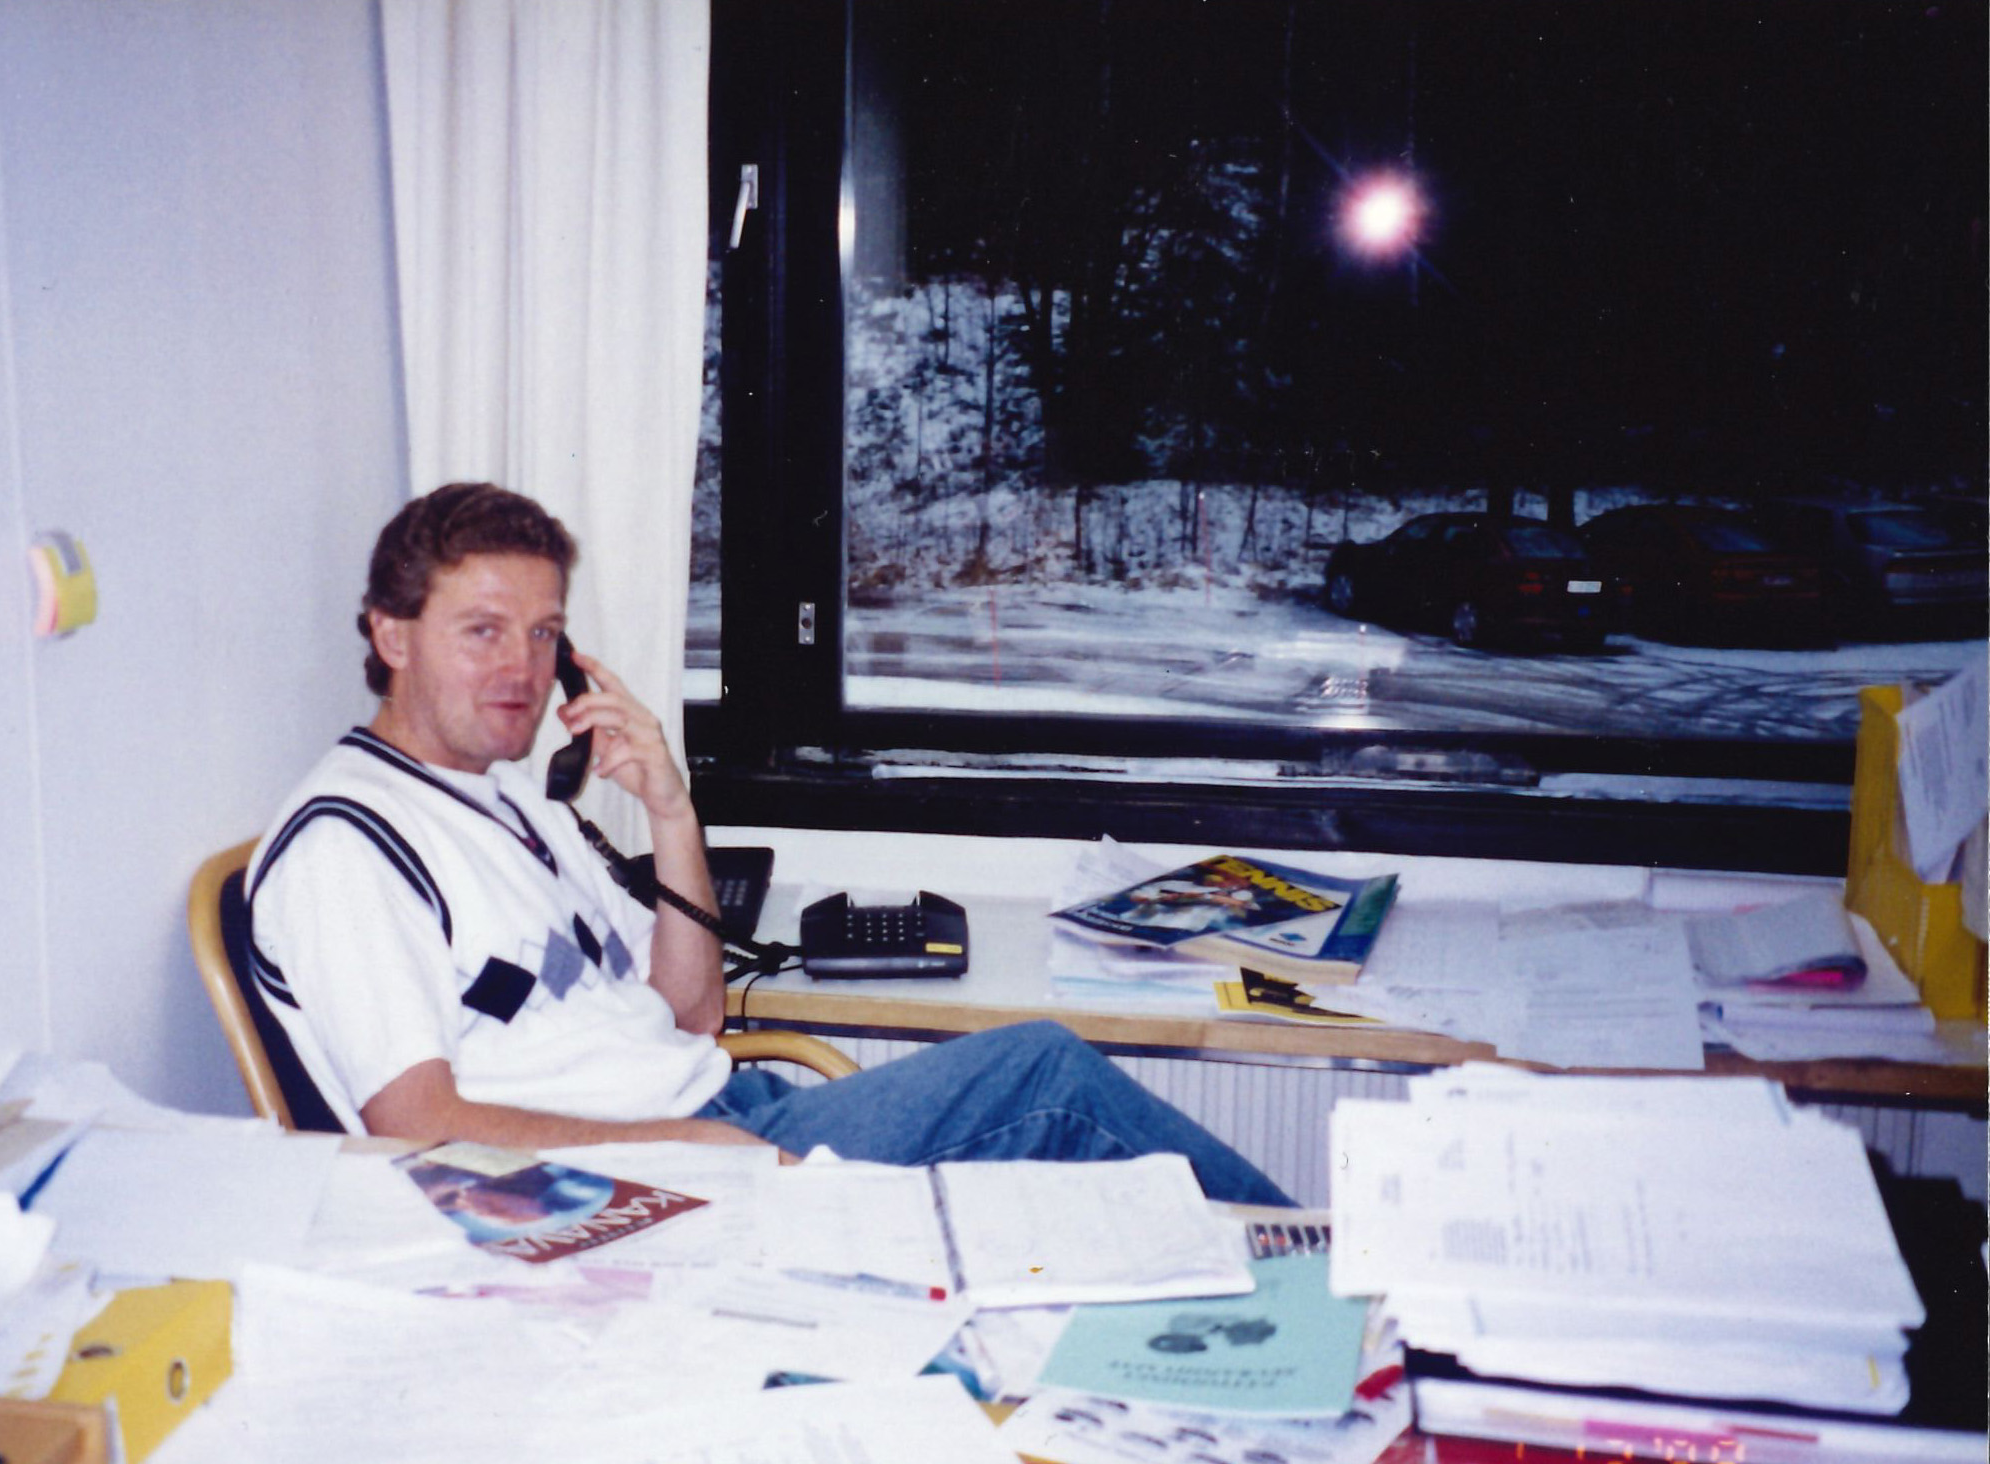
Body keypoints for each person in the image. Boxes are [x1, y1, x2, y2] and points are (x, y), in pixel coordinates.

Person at [246, 482, 1293, 1205]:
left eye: (543, 632)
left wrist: (671, 809)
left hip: (722, 1119)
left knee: (1054, 1148)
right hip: (654, 1180)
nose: (521, 666)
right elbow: (416, 1123)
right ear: (391, 633)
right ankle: (1327, 1282)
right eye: (482, 629)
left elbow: (691, 1011)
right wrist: (697, 1152)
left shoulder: (513, 801)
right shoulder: (348, 848)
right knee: (1044, 1082)